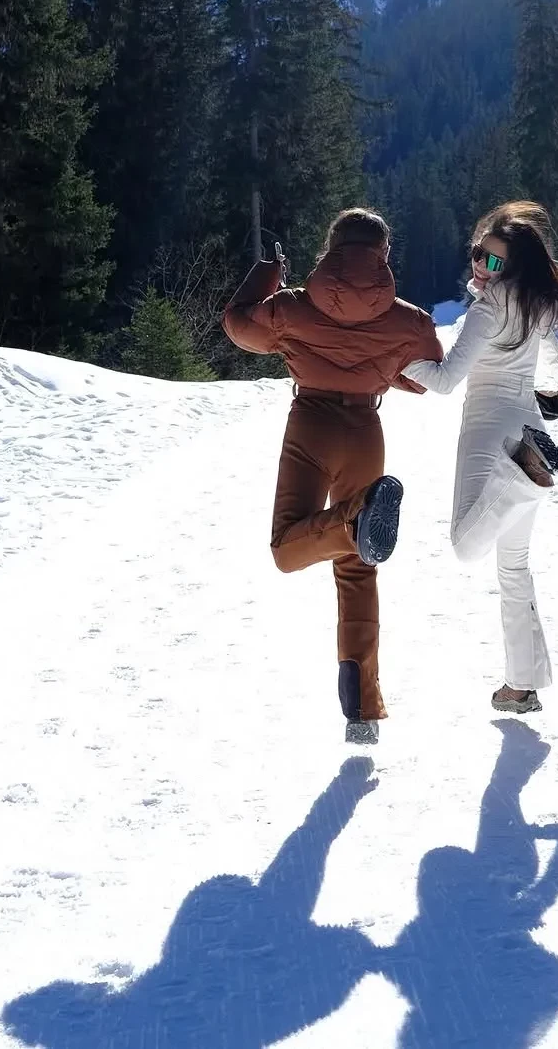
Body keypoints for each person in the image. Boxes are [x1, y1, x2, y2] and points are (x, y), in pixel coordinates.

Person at [222, 208, 442, 744]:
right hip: (366, 429)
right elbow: (423, 375)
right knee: (358, 569)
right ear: (383, 254)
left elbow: (238, 325)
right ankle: (362, 709)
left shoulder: (290, 306)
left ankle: (351, 523)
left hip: (312, 424)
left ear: (331, 249)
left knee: (286, 548)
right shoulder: (409, 320)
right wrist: (381, 366)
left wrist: (267, 273)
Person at [403, 201, 558, 714]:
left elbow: (445, 380)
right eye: (477, 254)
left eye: (492, 261)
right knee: (514, 567)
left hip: (489, 431)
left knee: (466, 547)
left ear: (512, 267)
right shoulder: (534, 307)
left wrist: (396, 361)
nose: (480, 266)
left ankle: (524, 478)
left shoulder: (487, 310)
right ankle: (521, 685)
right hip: (528, 424)